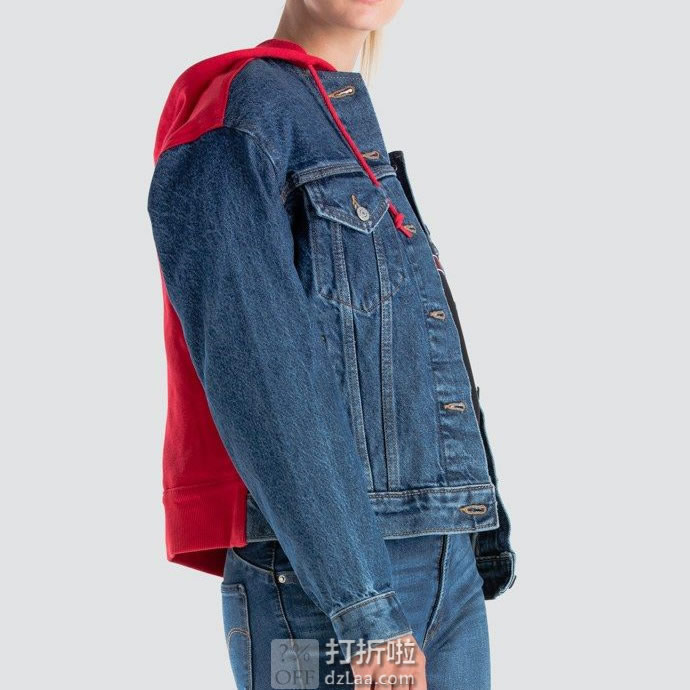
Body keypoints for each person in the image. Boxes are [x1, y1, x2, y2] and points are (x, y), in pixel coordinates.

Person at [147, 1, 515, 687]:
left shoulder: (344, 126)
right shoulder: (240, 113)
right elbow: (264, 375)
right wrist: (367, 614)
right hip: (332, 589)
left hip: (444, 563)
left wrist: (471, 546)